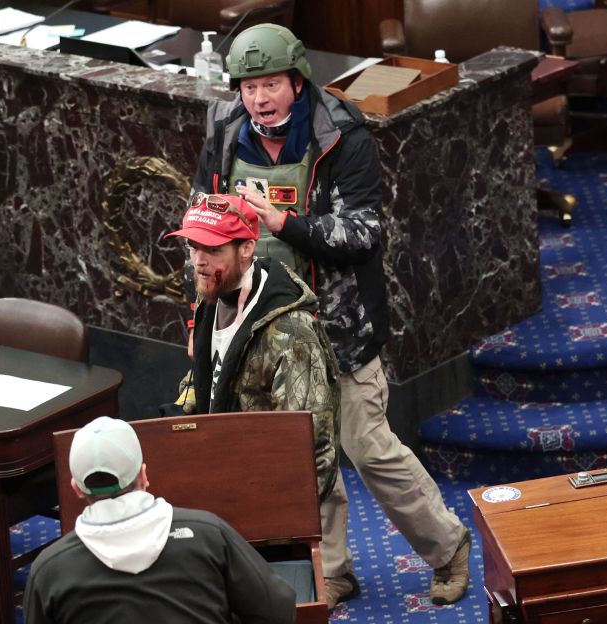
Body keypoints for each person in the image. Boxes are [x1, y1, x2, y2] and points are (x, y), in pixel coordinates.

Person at [190, 23, 470, 608]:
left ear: (297, 80)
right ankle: (332, 570)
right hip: (267, 325)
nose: (259, 99)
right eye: (248, 87)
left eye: (270, 85)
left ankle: (448, 548)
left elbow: (364, 231)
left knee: (366, 447)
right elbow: (202, 207)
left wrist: (280, 223)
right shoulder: (222, 129)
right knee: (299, 454)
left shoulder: (341, 134)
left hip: (341, 325)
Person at [165, 193, 340, 524]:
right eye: (193, 246)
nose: (198, 261)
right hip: (217, 483)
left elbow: (313, 449)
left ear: (246, 248)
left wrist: (274, 521)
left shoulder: (291, 334)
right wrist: (182, 408)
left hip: (261, 504)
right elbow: (211, 372)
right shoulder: (213, 295)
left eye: (213, 249)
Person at [24, 415, 295, 624]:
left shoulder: (48, 570)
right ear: (143, 476)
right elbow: (278, 611)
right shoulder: (208, 534)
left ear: (76, 489)